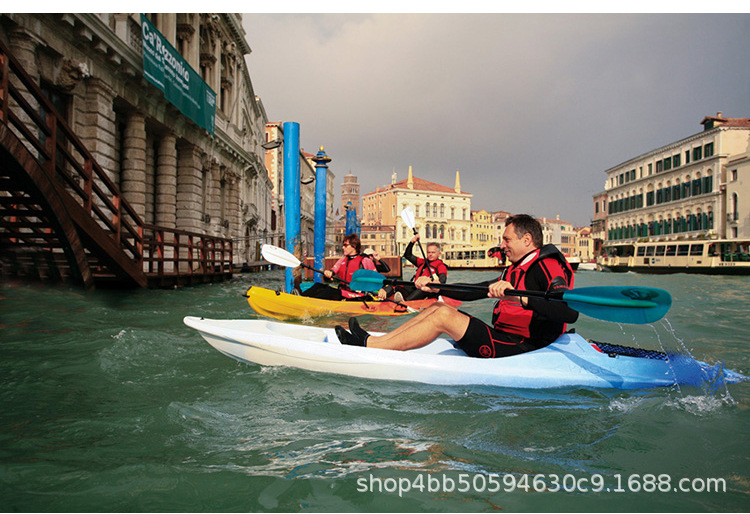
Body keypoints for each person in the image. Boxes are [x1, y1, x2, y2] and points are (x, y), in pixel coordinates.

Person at [335, 214, 579, 358]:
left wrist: (521, 299)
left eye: (506, 239)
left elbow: (568, 310)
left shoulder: (547, 266)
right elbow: (477, 290)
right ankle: (380, 341)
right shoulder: (515, 266)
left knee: (442, 314)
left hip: (527, 347)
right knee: (434, 308)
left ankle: (371, 348)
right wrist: (437, 288)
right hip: (505, 336)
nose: (502, 245)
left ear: (527, 240)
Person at [301, 234, 376, 301]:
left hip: (357, 295)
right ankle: (300, 298)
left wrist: (382, 290)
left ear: (354, 246)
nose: (343, 247)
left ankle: (309, 303)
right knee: (318, 285)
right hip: (343, 292)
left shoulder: (365, 260)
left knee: (329, 291)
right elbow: (333, 271)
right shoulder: (342, 260)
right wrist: (328, 273)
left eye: (345, 245)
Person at [377, 235, 448, 301]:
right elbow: (408, 255)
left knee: (422, 288)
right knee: (397, 283)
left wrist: (435, 283)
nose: (430, 254)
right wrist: (412, 242)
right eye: (428, 252)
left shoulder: (441, 266)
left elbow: (442, 280)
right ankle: (383, 294)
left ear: (439, 254)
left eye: (433, 252)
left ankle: (405, 302)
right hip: (414, 287)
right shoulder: (422, 262)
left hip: (427, 291)